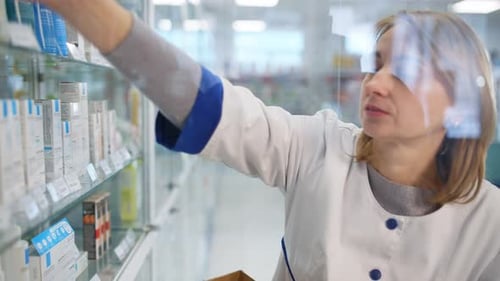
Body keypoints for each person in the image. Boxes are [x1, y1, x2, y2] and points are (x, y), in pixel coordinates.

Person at [35, 1, 500, 280]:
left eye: (406, 73)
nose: (376, 84)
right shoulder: (317, 147)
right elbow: (211, 106)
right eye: (375, 65)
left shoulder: (490, 225)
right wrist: (89, 12)